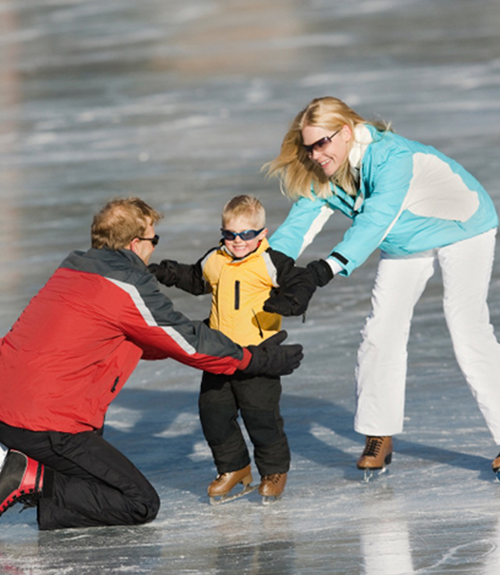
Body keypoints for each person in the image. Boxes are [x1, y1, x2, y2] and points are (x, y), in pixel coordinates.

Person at [0, 197, 304, 530]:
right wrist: (254, 358)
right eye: (153, 240)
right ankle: (28, 477)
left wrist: (214, 335)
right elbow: (186, 344)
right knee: (139, 503)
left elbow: (149, 337)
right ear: (135, 244)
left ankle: (24, 472)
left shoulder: (73, 268)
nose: (154, 249)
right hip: (46, 424)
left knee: (90, 475)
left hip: (9, 411)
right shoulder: (126, 285)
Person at [264, 96, 500, 476]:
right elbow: (297, 226)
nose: (315, 154)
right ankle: (378, 433)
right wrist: (262, 270)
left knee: (467, 326)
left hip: (463, 227)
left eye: (322, 143)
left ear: (344, 132)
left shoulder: (391, 157)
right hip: (405, 239)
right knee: (380, 330)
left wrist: (323, 271)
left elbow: (375, 220)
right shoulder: (321, 169)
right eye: (308, 147)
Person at [149, 195, 315, 503]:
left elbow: (300, 282)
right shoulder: (216, 259)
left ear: (261, 234)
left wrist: (291, 301)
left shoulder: (270, 262)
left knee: (261, 416)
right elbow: (194, 278)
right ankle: (234, 467)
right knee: (213, 413)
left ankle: (274, 471)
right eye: (230, 234)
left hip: (258, 357)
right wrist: (162, 271)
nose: (237, 241)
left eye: (246, 234)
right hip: (219, 353)